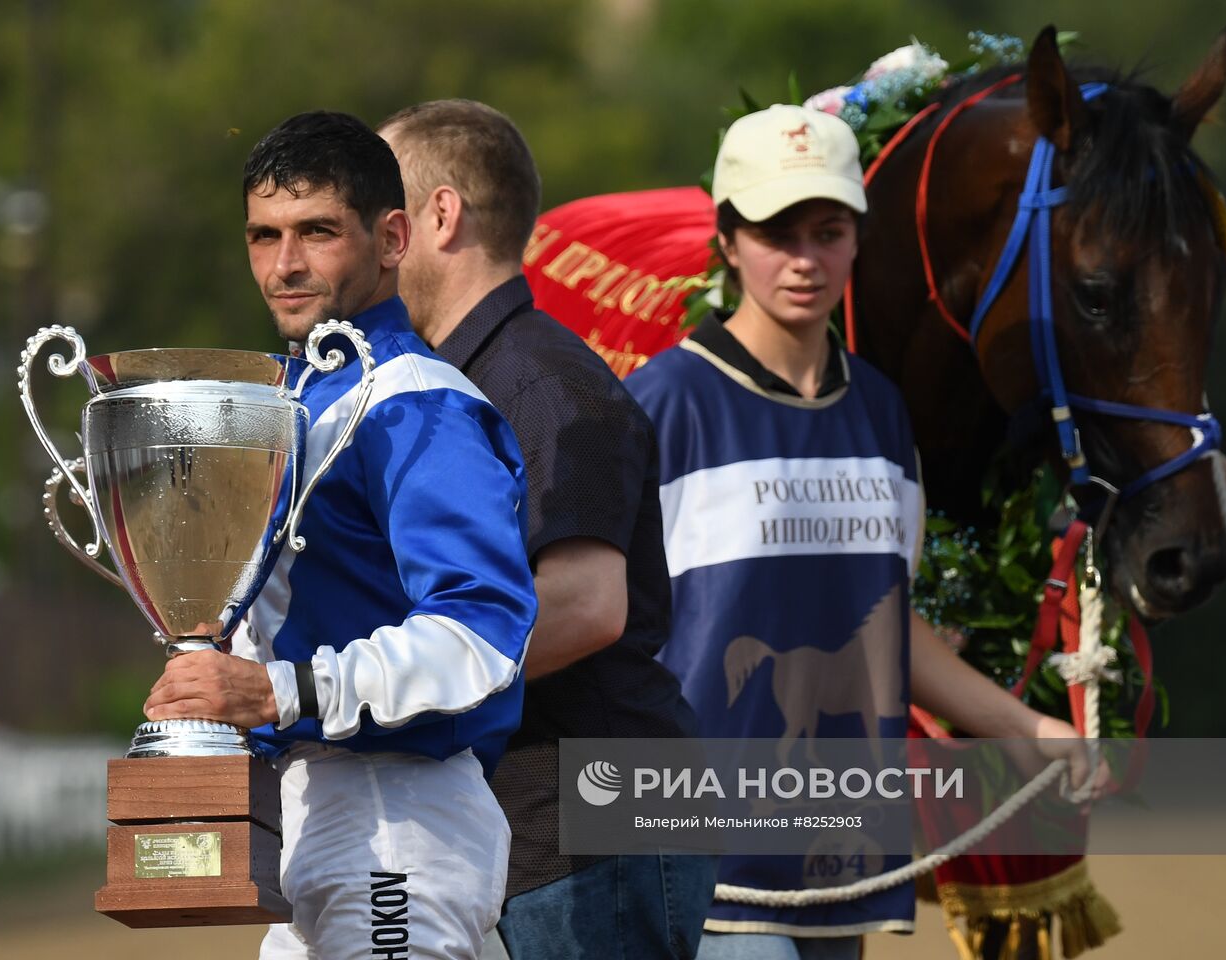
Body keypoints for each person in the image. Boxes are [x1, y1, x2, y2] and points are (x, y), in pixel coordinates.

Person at [624, 104, 1092, 960]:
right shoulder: (663, 406)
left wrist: (1025, 730)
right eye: (774, 231)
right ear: (728, 241)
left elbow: (889, 628)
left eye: (827, 230)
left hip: (838, 860)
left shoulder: (879, 410)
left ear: (857, 240)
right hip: (706, 861)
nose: (803, 258)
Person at [142, 110, 537, 960]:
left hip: (400, 820)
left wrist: (276, 693)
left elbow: (482, 634)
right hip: (312, 811)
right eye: (264, 235)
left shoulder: (418, 403)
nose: (285, 265)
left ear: (392, 237)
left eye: (317, 232)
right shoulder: (295, 402)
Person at [378, 99, 716, 959]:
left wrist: (377, 690)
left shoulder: (544, 383)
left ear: (441, 215)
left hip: (590, 826)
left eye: (385, 216)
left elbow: (588, 604)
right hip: (548, 830)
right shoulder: (468, 378)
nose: (366, 243)